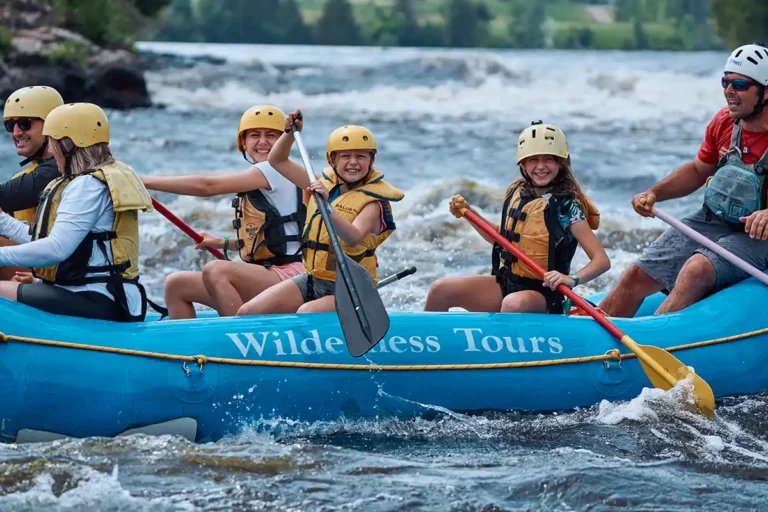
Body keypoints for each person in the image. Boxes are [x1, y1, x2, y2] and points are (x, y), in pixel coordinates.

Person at [599, 42, 768, 317]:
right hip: (714, 220)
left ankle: (651, 345)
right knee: (635, 275)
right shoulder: (724, 122)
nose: (728, 90)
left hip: (759, 238)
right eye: (725, 81)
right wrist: (655, 193)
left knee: (695, 269)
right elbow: (698, 170)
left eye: (739, 83)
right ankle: (591, 343)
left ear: (765, 92)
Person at [424, 121, 609, 314]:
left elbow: (601, 260)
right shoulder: (517, 193)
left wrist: (572, 279)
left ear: (561, 162)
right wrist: (470, 214)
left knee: (513, 304)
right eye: (533, 160)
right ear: (523, 163)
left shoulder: (568, 208)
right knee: (441, 290)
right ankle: (423, 341)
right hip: (508, 283)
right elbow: (501, 240)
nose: (540, 166)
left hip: (544, 294)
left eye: (549, 159)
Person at [142, 105, 306, 319]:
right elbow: (274, 238)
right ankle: (192, 349)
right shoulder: (268, 174)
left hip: (292, 277)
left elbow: (207, 186)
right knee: (176, 284)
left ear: (283, 141)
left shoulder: (273, 169)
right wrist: (221, 242)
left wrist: (142, 181)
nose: (263, 142)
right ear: (243, 143)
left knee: (216, 270)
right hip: (267, 274)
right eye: (255, 135)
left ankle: (238, 336)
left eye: (272, 135)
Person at [237, 110, 404, 315]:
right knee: (248, 312)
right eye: (345, 156)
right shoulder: (319, 184)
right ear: (331, 159)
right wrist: (289, 133)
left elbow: (353, 237)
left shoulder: (372, 204)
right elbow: (277, 160)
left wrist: (327, 207)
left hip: (352, 290)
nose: (353, 162)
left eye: (361, 156)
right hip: (313, 279)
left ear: (371, 160)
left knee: (306, 312)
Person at [0, 103, 154, 322]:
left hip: (100, 298)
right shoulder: (93, 179)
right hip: (96, 291)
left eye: (54, 143)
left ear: (68, 145)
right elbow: (53, 241)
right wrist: (4, 223)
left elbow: (56, 249)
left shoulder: (87, 186)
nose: (51, 151)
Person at [1, 86, 64, 280]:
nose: (16, 133)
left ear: (52, 125)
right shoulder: (33, 172)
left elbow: (5, 196)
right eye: (11, 126)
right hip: (37, 266)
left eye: (25, 124)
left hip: (62, 272)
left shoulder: (61, 170)